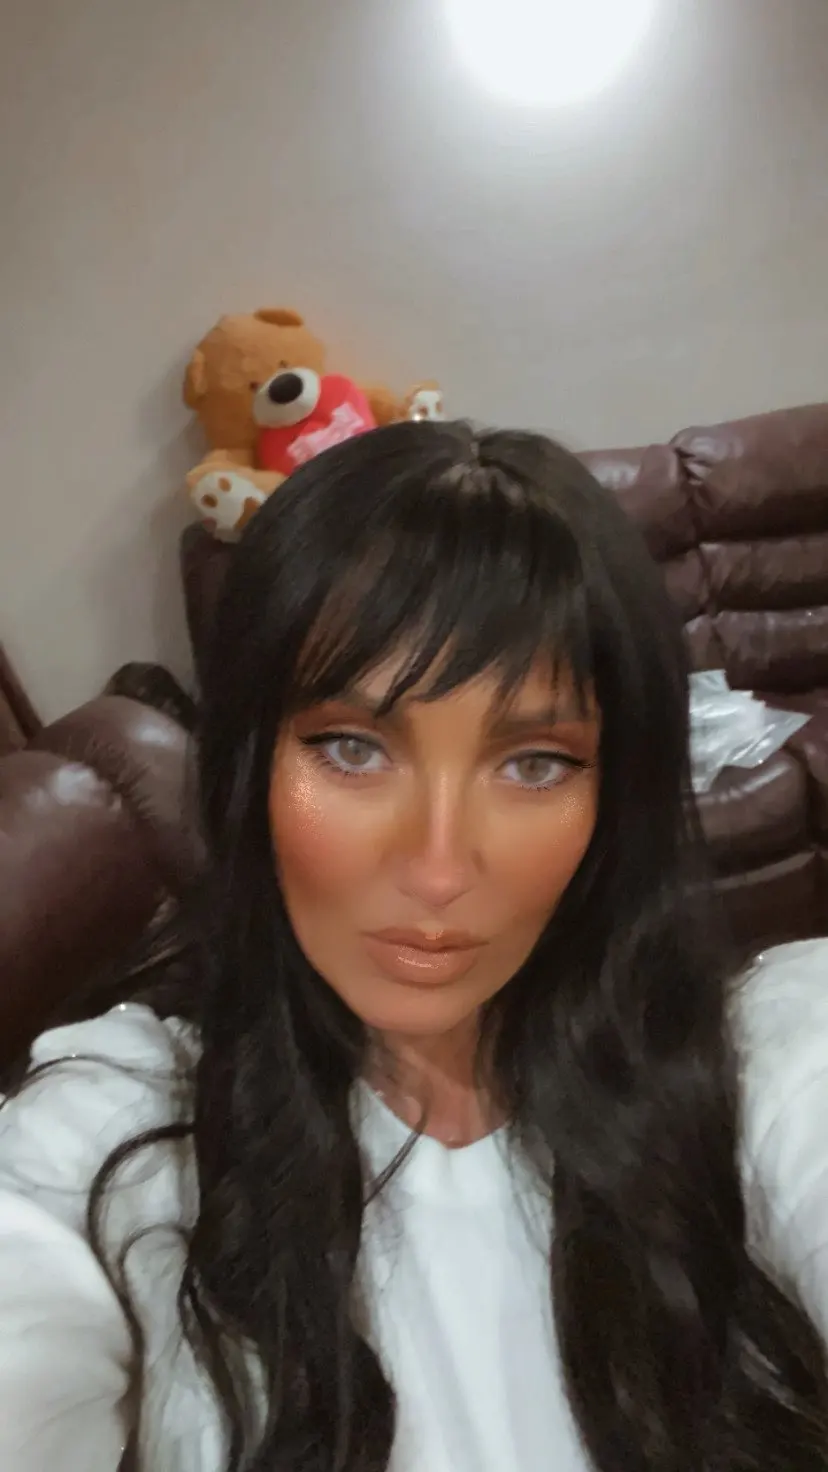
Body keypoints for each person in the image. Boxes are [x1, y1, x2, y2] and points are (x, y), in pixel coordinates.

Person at [0, 421, 827, 1472]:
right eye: (352, 748)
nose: (438, 869)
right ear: (250, 767)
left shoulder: (767, 1052)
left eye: (534, 762)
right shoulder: (126, 1125)